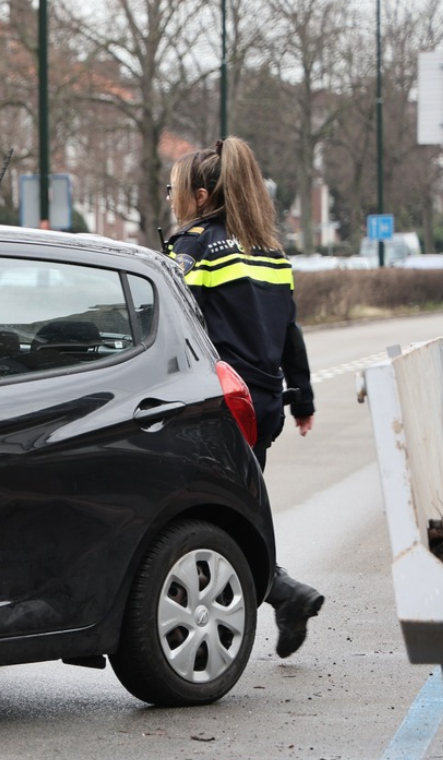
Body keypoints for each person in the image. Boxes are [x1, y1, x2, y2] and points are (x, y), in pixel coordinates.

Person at [165, 136, 323, 658]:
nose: (170, 197)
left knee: (208, 516)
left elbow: (162, 321)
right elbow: (290, 333)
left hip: (218, 403)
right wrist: (302, 400)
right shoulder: (270, 252)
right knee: (234, 508)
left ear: (202, 196)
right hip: (263, 405)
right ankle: (283, 593)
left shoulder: (192, 246)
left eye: (175, 189)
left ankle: (281, 591)